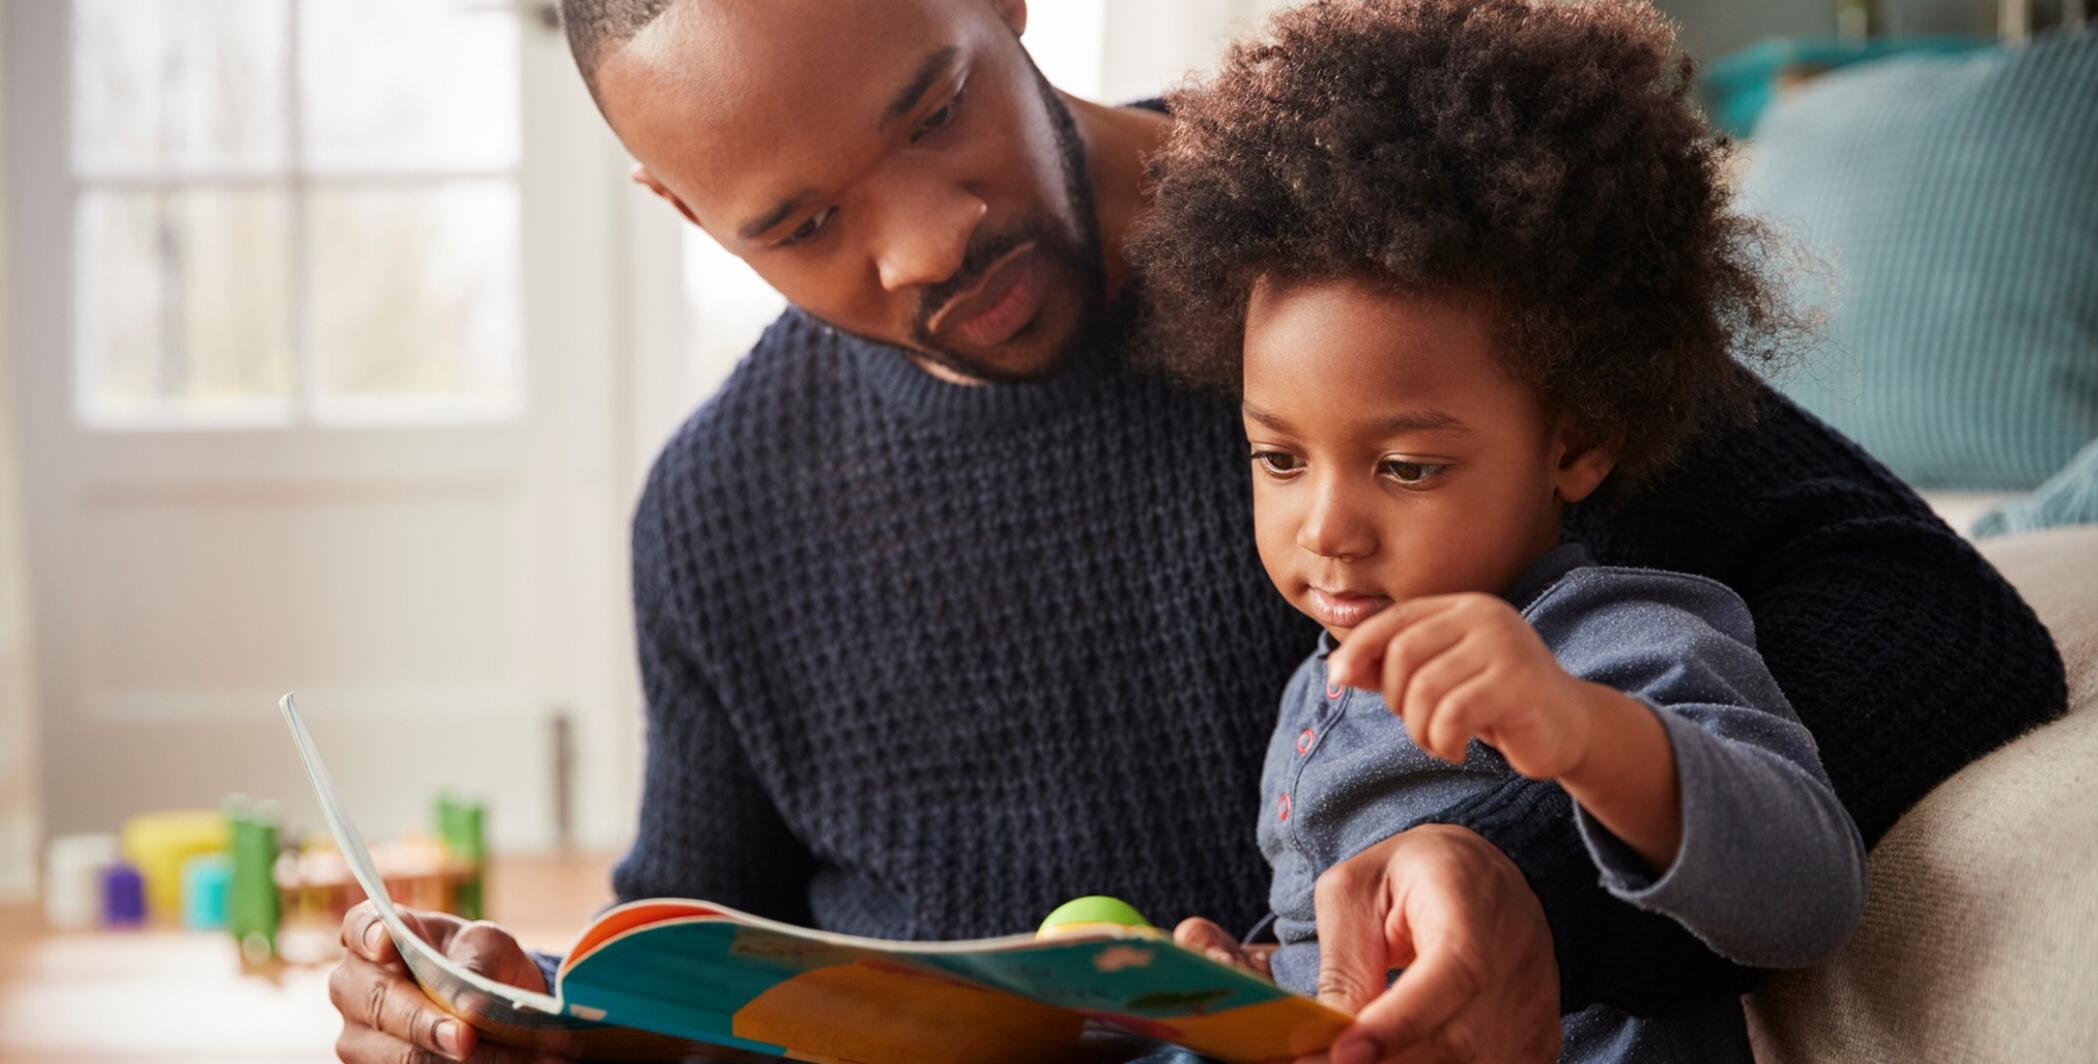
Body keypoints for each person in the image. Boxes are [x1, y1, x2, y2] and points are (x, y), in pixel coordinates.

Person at [324, 1, 2068, 1062]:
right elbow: (697, 928)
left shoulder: (1381, 271)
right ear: (680, 207)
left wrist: (1525, 884)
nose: (923, 237)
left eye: (930, 108)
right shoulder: (715, 514)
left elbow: (1937, 624)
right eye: (796, 221)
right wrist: (516, 1009)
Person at [1132, 1, 1866, 1059]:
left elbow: (1809, 889)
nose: (1327, 525)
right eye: (1279, 458)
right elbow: (1347, 962)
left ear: (1579, 442)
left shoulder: (1616, 640)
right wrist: (1256, 975)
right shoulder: (1317, 693)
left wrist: (1578, 727)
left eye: (1407, 467)